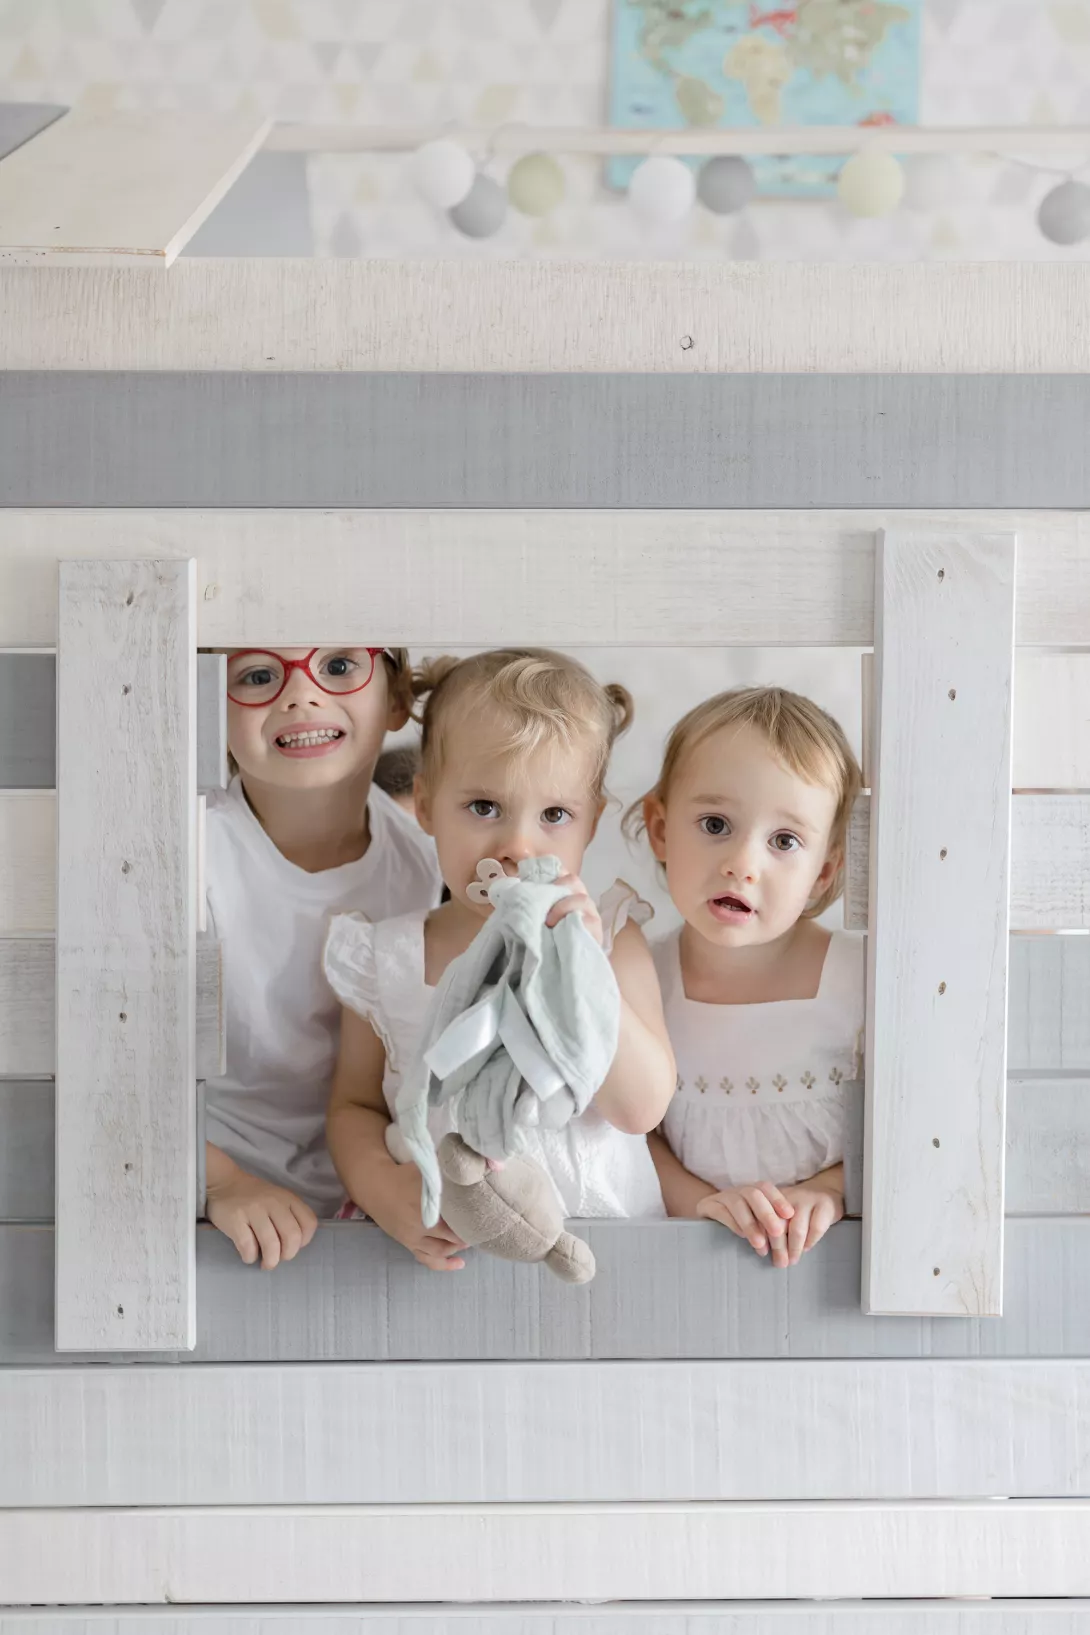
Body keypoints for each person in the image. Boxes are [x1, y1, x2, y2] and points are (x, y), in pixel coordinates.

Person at [323, 647, 675, 1270]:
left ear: (591, 825)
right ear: (427, 807)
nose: (517, 845)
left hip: (604, 1250)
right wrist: (381, 1189)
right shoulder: (387, 954)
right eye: (484, 808)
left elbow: (641, 1109)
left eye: (555, 815)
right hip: (430, 1253)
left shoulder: (613, 940)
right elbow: (354, 1107)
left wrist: (582, 961)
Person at [203, 645, 441, 1269]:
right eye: (258, 675)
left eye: (337, 666)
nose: (300, 694)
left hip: (365, 1202)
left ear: (395, 701)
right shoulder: (191, 854)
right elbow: (118, 1063)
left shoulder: (424, 863)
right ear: (210, 707)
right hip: (209, 1186)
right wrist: (219, 1184)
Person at [630, 686, 863, 1269]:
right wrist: (703, 1203)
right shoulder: (639, 977)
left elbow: (912, 1125)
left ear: (824, 870)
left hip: (835, 1274)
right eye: (715, 824)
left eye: (784, 841)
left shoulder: (861, 981)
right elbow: (629, 1142)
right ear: (659, 828)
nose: (743, 863)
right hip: (685, 1264)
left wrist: (833, 1189)